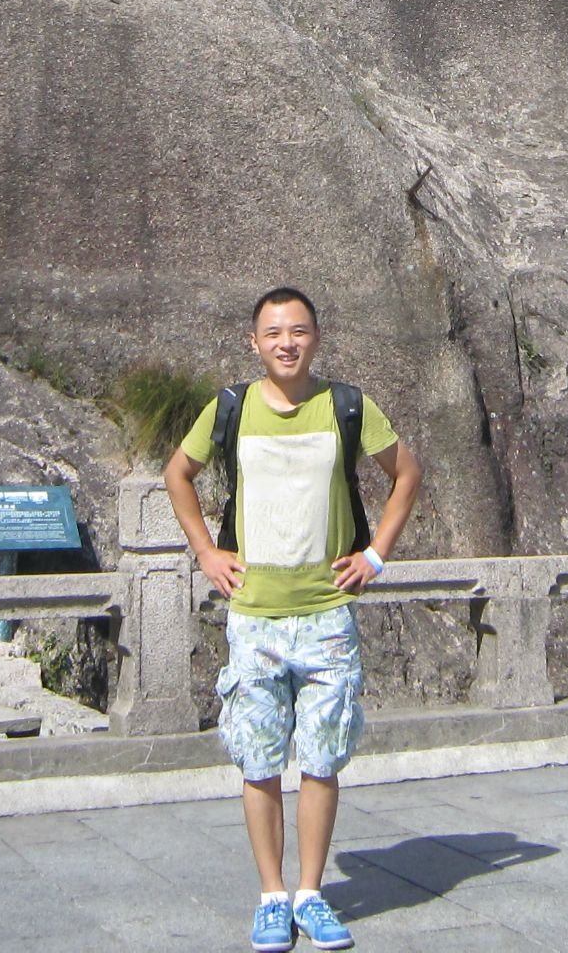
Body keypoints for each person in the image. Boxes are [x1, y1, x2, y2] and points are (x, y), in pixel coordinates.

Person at [164, 287, 421, 951]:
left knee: (321, 759)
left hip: (326, 613)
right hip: (254, 615)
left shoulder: (347, 406)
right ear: (255, 342)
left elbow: (406, 474)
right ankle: (272, 896)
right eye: (274, 332)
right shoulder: (230, 407)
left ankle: (310, 893)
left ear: (317, 337)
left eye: (299, 330)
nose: (287, 343)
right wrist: (206, 552)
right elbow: (178, 473)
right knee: (258, 762)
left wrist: (375, 555)